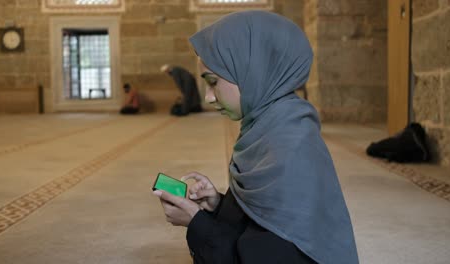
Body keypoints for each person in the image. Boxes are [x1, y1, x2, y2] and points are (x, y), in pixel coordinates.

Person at [153, 11, 359, 264]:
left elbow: (263, 255)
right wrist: (217, 205)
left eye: (213, 82)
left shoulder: (290, 148)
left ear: (253, 72)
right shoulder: (270, 123)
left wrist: (197, 223)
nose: (208, 97)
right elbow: (262, 223)